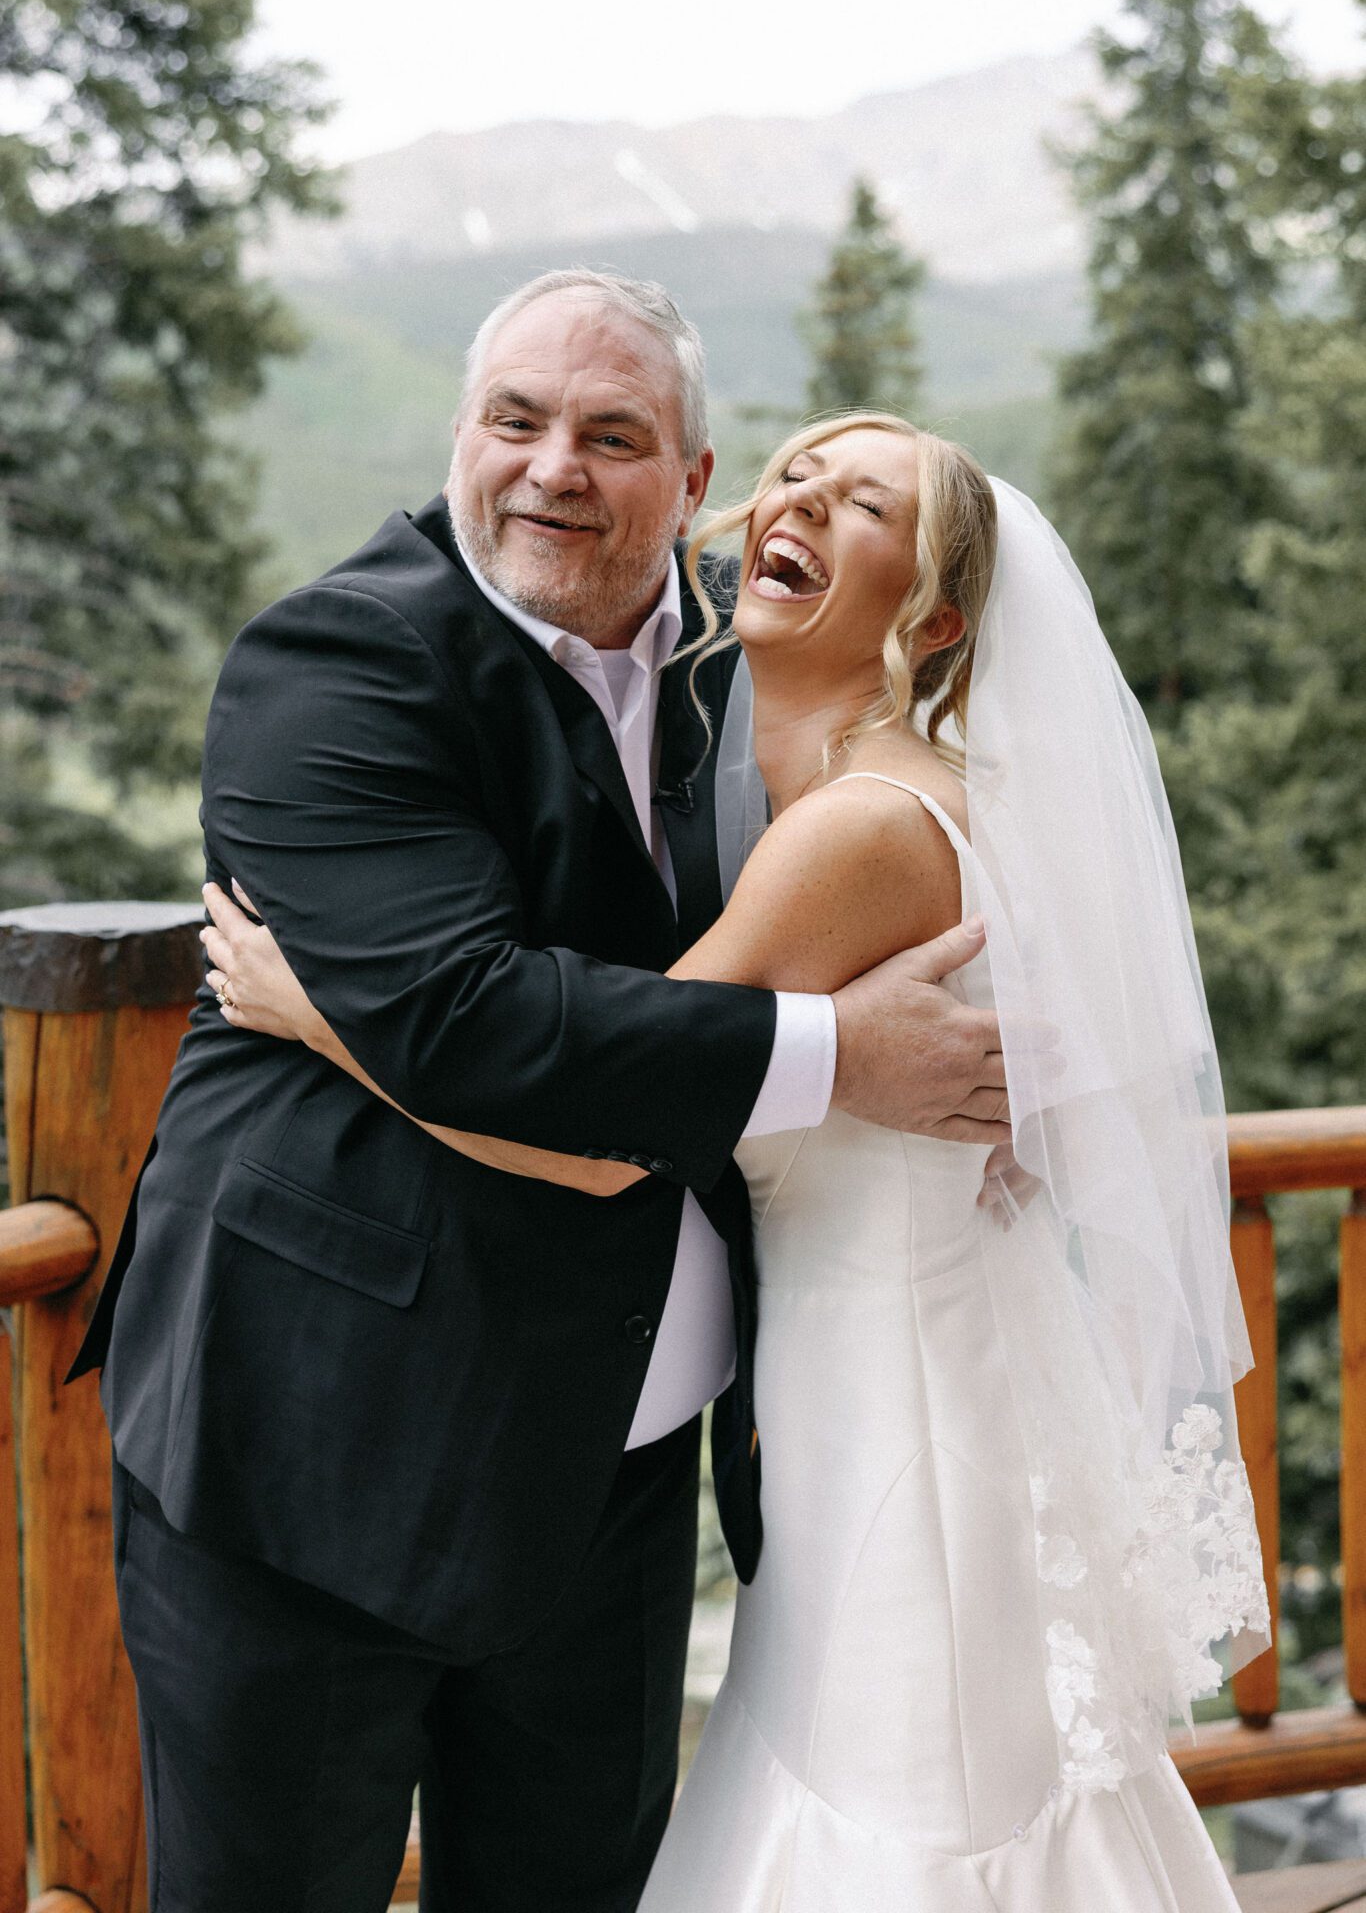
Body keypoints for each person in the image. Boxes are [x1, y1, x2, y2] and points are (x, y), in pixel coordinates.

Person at [208, 409, 1271, 1909]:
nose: (804, 504)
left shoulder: (858, 834)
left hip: (897, 1418)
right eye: (798, 477)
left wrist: (320, 1017)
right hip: (865, 1403)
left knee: (905, 1823)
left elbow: (605, 1130)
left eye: (866, 508)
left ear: (937, 618)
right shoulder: (844, 788)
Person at [68, 273, 1014, 1913]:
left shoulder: (746, 649)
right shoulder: (338, 659)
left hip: (613, 1462)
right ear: (461, 433)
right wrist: (838, 1055)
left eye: (611, 436)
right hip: (317, 1452)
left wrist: (342, 1023)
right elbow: (469, 1023)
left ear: (693, 482)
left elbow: (553, 1050)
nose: (552, 467)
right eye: (514, 421)